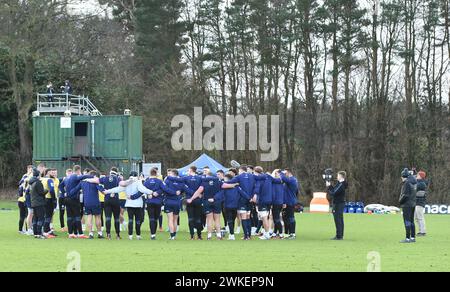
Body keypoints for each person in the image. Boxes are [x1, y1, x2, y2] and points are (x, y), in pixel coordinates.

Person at [103, 171, 154, 240]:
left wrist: (108, 191)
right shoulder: (138, 182)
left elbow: (118, 189)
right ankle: (138, 236)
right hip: (138, 204)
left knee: (130, 220)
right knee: (138, 220)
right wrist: (151, 192)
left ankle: (130, 236)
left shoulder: (127, 182)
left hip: (129, 204)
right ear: (136, 175)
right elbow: (142, 189)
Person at [189, 170, 237, 240]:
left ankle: (209, 236)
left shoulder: (204, 182)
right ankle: (219, 235)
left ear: (207, 176)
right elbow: (226, 186)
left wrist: (191, 198)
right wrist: (234, 184)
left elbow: (198, 191)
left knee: (209, 219)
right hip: (216, 202)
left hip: (207, 202)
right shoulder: (218, 182)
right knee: (217, 219)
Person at [165, 166, 203, 240]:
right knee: (198, 219)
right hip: (198, 199)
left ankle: (192, 236)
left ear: (191, 170)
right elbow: (203, 187)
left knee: (190, 219)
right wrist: (198, 194)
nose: (187, 171)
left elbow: (177, 180)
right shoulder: (200, 178)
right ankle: (199, 236)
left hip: (189, 200)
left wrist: (168, 177)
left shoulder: (186, 178)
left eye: (188, 170)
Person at [212, 174, 250, 240]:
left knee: (229, 220)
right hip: (235, 206)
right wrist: (249, 198)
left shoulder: (225, 187)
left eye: (225, 179)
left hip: (227, 206)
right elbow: (243, 194)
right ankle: (232, 234)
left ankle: (232, 235)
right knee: (232, 220)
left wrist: (214, 199)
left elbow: (219, 194)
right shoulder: (237, 187)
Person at [144, 168, 175, 240]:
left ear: (150, 173)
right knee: (155, 218)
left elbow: (142, 189)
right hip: (158, 202)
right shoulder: (159, 181)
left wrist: (149, 193)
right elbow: (165, 189)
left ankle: (152, 235)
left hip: (149, 202)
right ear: (156, 173)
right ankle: (154, 233)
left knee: (151, 218)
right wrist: (173, 193)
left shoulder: (146, 181)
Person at [71, 171, 105, 239]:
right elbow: (102, 191)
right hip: (95, 202)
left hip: (86, 202)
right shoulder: (95, 182)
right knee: (98, 217)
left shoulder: (83, 182)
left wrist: (68, 193)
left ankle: (90, 234)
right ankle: (100, 233)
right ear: (94, 176)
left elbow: (74, 191)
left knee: (89, 218)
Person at [227, 166, 256, 240]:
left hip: (242, 200)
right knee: (248, 217)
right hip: (251, 200)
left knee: (243, 218)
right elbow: (255, 187)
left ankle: (246, 236)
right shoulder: (252, 176)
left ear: (240, 170)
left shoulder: (239, 177)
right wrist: (252, 197)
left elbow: (229, 182)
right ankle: (249, 235)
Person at [64, 165, 92, 239]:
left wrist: (65, 192)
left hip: (67, 199)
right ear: (78, 170)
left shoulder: (67, 177)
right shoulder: (74, 176)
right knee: (77, 216)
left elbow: (61, 186)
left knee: (69, 217)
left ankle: (70, 233)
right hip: (74, 199)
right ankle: (80, 234)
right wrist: (91, 176)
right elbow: (82, 177)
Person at [164, 169, 192, 240]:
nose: (169, 174)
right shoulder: (181, 182)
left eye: (170, 173)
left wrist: (173, 192)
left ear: (173, 174)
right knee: (175, 220)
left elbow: (165, 189)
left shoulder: (168, 180)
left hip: (168, 202)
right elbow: (188, 190)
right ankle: (174, 235)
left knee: (170, 219)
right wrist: (198, 194)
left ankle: (172, 236)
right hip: (177, 202)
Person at [100, 168, 122, 240]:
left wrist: (102, 190)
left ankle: (108, 234)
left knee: (108, 218)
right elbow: (121, 186)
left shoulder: (104, 178)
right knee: (116, 218)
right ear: (116, 172)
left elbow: (97, 183)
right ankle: (118, 235)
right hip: (115, 199)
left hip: (107, 200)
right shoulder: (118, 178)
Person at [326, 171, 347, 241]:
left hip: (338, 204)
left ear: (341, 176)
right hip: (339, 203)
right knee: (340, 219)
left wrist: (329, 187)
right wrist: (329, 186)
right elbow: (334, 190)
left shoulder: (341, 184)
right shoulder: (340, 184)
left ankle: (339, 236)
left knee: (338, 219)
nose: (337, 177)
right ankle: (340, 235)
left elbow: (333, 192)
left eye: (338, 175)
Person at [399, 168, 417, 243]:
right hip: (413, 204)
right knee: (412, 221)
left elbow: (405, 195)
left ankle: (407, 238)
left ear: (402, 176)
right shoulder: (413, 182)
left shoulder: (406, 183)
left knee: (407, 221)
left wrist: (400, 201)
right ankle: (412, 237)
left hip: (407, 205)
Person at [280, 168, 299, 240]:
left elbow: (283, 178)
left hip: (290, 202)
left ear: (288, 173)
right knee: (286, 218)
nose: (284, 175)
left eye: (285, 173)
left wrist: (281, 172)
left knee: (291, 217)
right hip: (288, 201)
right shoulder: (291, 180)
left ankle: (292, 233)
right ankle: (287, 233)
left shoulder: (292, 179)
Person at [29, 168, 48, 239]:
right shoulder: (38, 182)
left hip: (33, 202)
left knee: (35, 218)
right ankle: (39, 233)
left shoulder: (32, 182)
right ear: (38, 175)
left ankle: (35, 233)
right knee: (41, 218)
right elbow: (41, 193)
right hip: (39, 203)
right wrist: (46, 190)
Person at [41, 169, 57, 238]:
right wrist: (54, 200)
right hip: (49, 199)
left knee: (46, 215)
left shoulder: (42, 179)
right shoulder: (49, 180)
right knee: (48, 216)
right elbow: (52, 190)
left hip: (43, 198)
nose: (52, 173)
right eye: (51, 172)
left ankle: (47, 230)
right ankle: (45, 232)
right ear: (47, 173)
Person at [17, 166, 32, 234]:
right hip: (24, 199)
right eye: (30, 170)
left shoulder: (24, 179)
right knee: (26, 215)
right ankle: (26, 230)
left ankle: (22, 230)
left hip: (21, 199)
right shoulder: (26, 178)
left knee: (24, 216)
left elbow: (19, 186)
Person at [271, 170, 285, 238]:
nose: (275, 174)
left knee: (276, 219)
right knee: (275, 218)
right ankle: (274, 232)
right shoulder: (281, 182)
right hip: (280, 202)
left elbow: (273, 194)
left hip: (276, 202)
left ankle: (281, 233)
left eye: (276, 173)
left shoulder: (275, 182)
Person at [415, 171, 428, 236]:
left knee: (420, 217)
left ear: (420, 176)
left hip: (420, 203)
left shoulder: (421, 184)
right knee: (417, 218)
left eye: (417, 175)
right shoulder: (421, 182)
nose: (416, 175)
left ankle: (423, 231)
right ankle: (420, 231)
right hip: (417, 202)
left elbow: (414, 187)